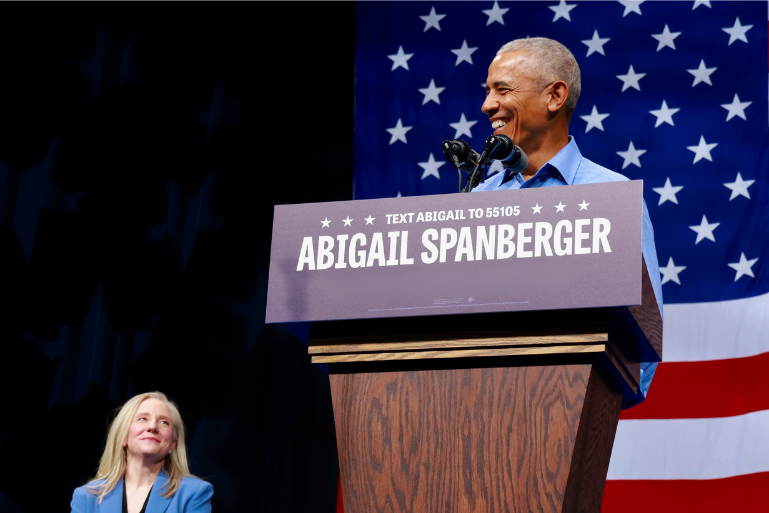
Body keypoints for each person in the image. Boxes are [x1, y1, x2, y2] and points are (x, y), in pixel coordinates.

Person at [474, 37, 662, 407]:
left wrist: (584, 395)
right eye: (487, 91)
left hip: (568, 409)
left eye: (502, 89)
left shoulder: (612, 196)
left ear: (555, 96)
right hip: (475, 404)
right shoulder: (480, 199)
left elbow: (642, 346)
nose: (487, 105)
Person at [70, 391, 213, 513]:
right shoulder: (86, 497)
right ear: (123, 436)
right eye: (143, 419)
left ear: (172, 444)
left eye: (164, 422)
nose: (152, 426)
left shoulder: (194, 493)